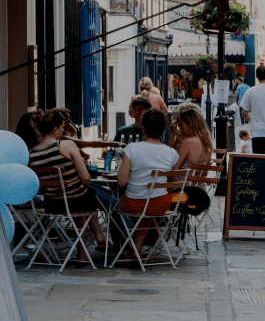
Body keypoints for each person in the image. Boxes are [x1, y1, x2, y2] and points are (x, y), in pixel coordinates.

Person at [29, 109, 105, 262]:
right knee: (88, 194)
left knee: (80, 199)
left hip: (52, 204)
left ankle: (85, 251)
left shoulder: (32, 154)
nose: (64, 130)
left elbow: (39, 187)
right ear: (55, 129)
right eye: (62, 127)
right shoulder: (67, 145)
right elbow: (86, 178)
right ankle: (93, 242)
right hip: (76, 201)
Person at [116, 109, 182, 253]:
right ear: (162, 130)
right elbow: (172, 180)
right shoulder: (172, 153)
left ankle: (128, 246)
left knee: (129, 205)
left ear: (143, 129)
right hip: (159, 204)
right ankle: (137, 249)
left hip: (132, 204)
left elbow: (121, 181)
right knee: (148, 205)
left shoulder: (131, 148)